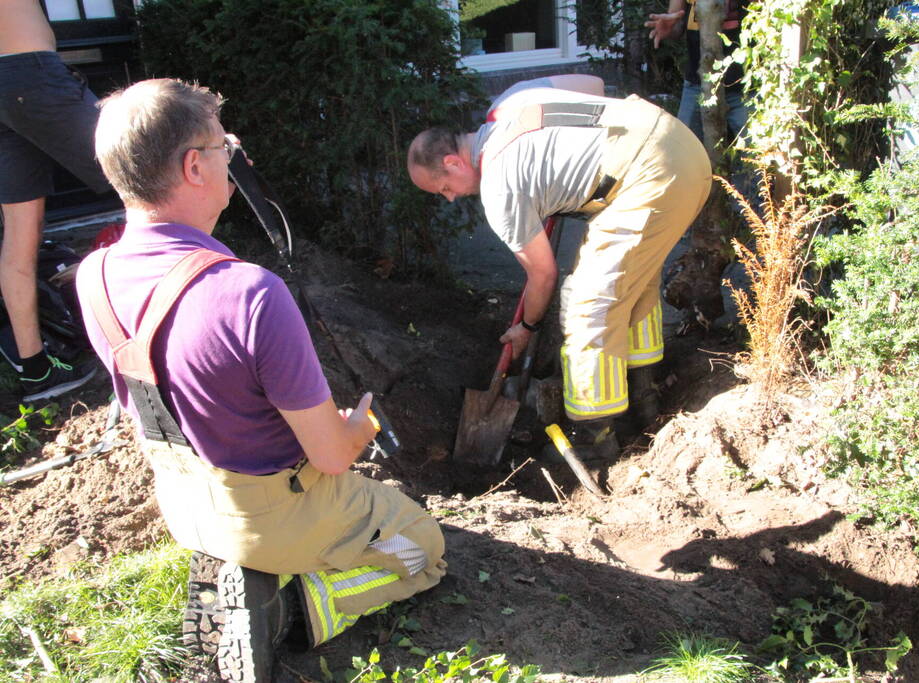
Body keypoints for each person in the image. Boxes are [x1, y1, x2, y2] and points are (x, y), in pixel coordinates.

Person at [77, 78, 446, 682]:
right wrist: (358, 429)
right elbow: (329, 458)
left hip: (188, 505)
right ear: (195, 167)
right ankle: (291, 610)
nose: (233, 158)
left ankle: (251, 569)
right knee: (423, 548)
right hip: (272, 514)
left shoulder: (94, 276)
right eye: (225, 147)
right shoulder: (248, 293)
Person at [407, 75, 711, 457]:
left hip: (652, 174)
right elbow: (594, 84)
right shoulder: (508, 102)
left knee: (588, 302)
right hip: (675, 139)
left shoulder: (499, 188)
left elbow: (543, 274)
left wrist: (526, 327)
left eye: (444, 189)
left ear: (452, 162)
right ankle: (643, 396)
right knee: (629, 278)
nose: (451, 199)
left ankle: (594, 436)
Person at [0, 0, 104, 400]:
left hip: (11, 80)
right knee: (152, 172)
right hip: (30, 71)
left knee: (19, 233)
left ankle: (37, 370)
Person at [646, 0, 751, 145]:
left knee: (757, 153)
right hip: (697, 81)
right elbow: (677, 22)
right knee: (682, 147)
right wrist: (669, 27)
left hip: (743, 83)